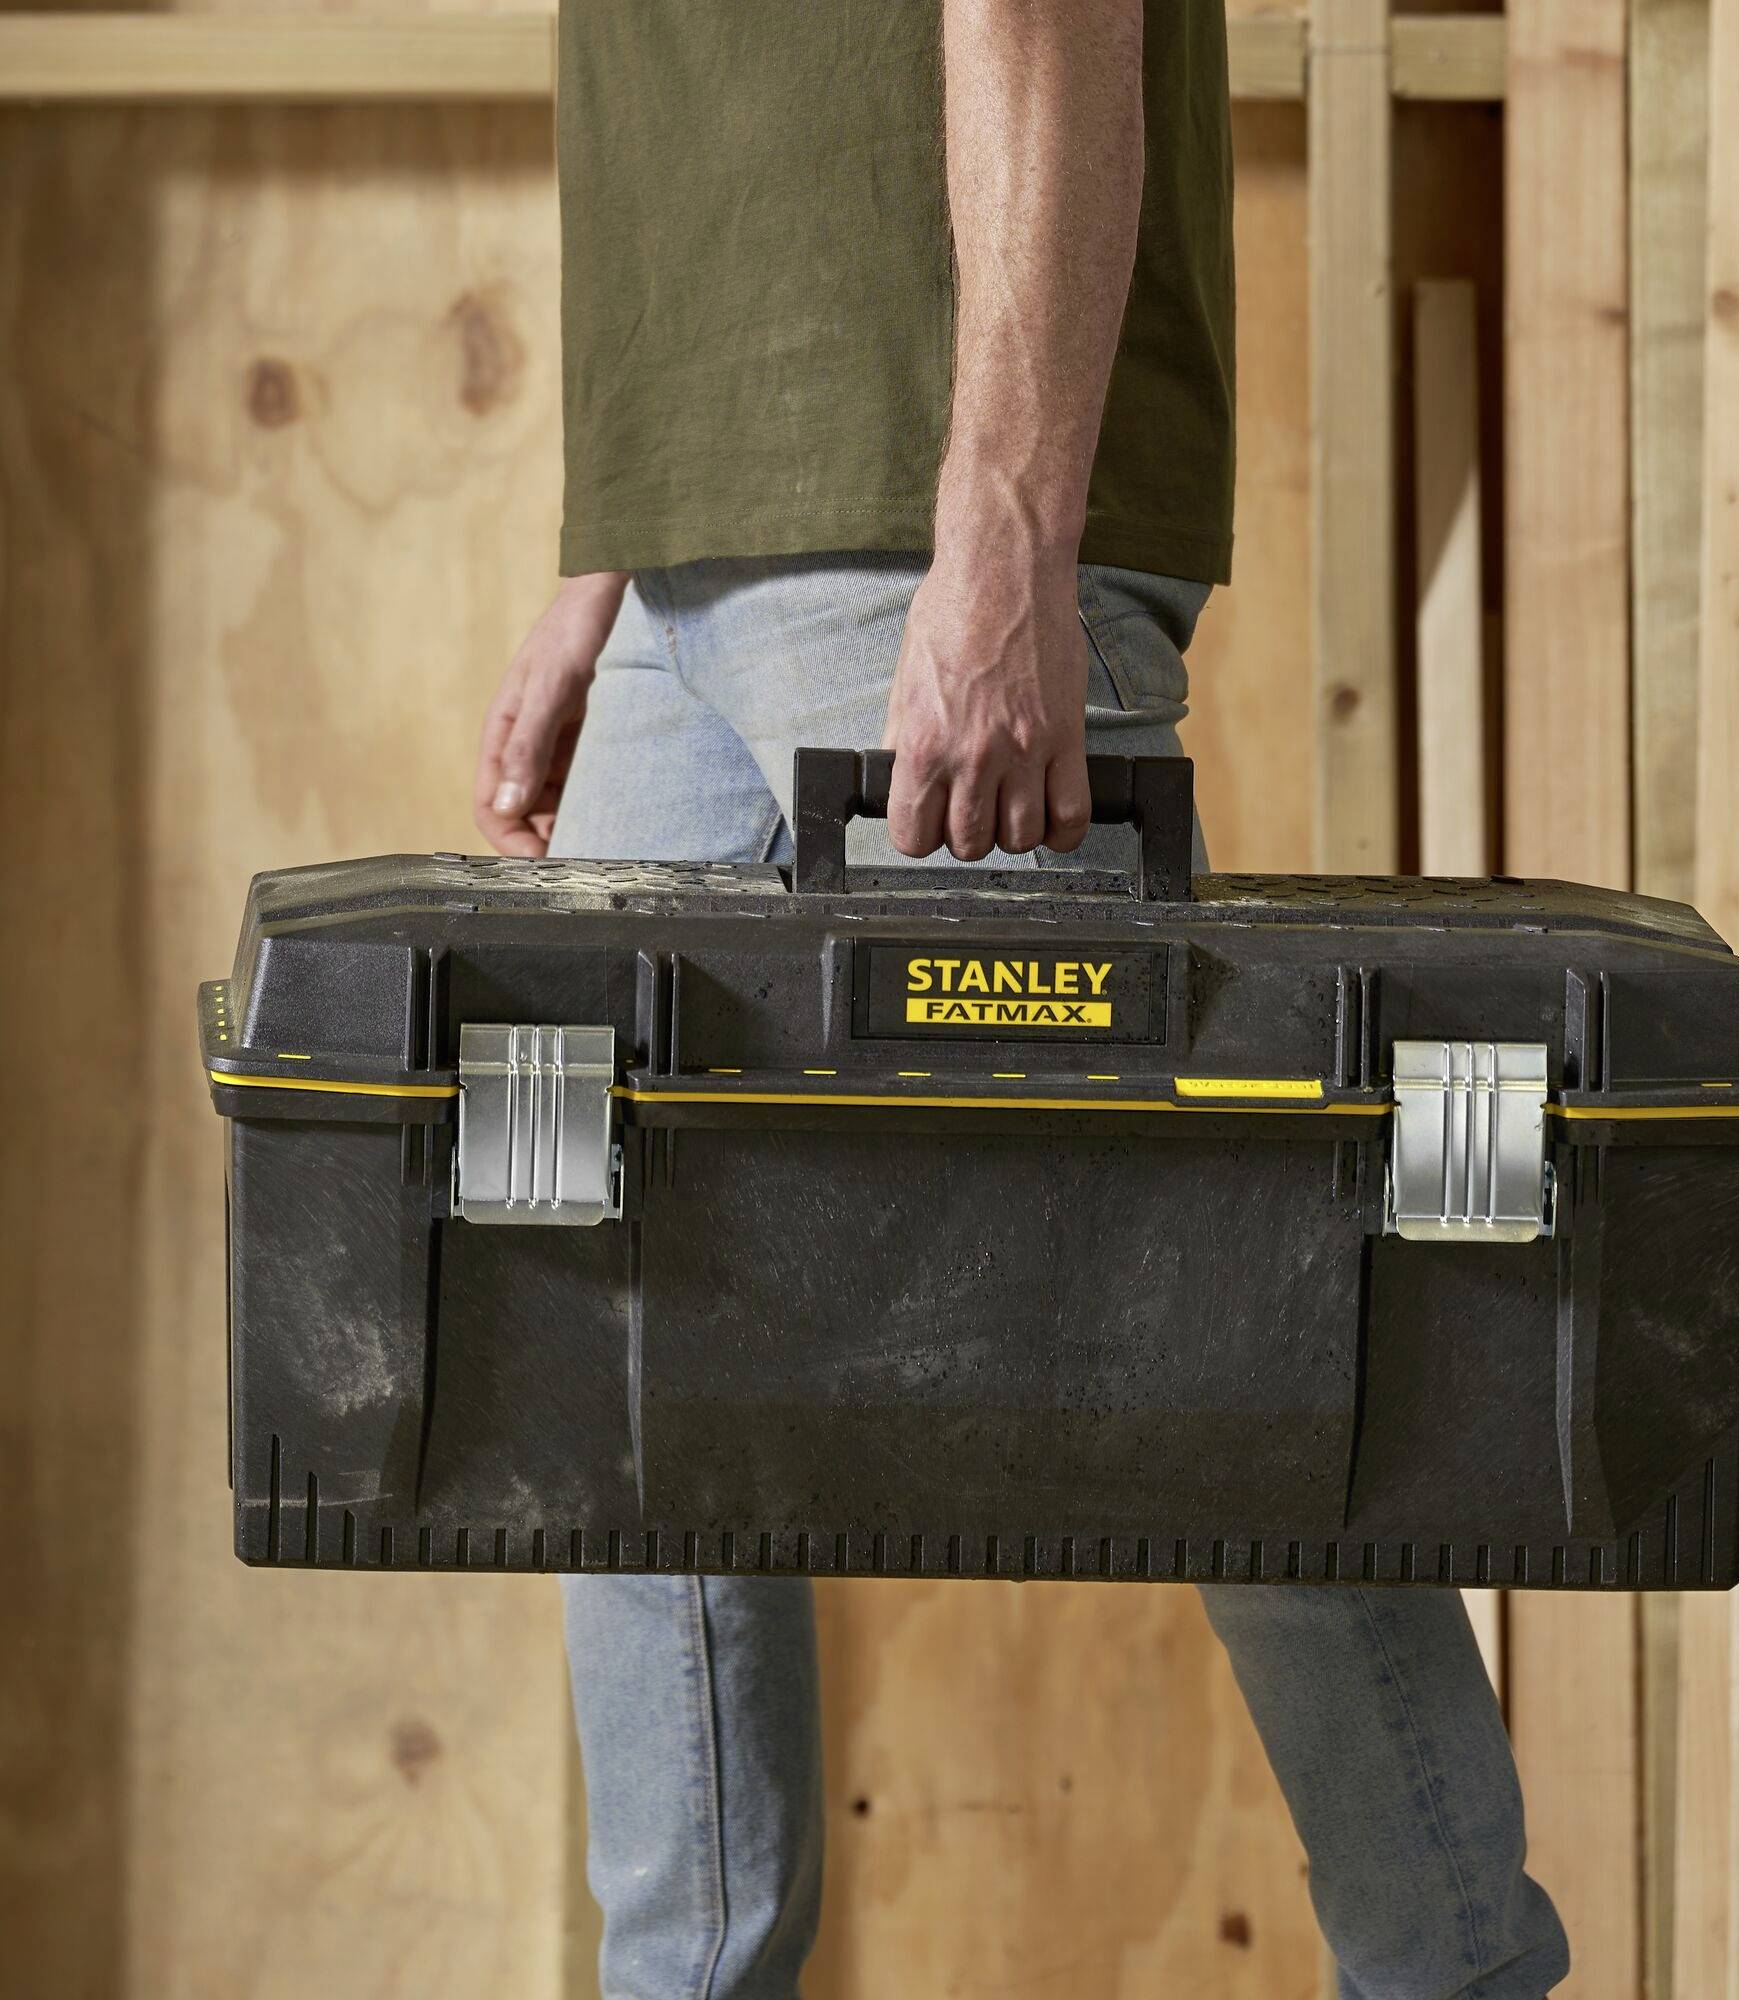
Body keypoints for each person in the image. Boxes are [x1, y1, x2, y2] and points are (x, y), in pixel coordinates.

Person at [475, 6, 1569, 1997]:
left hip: (919, 542)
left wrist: (1004, 542)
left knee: (1206, 1342)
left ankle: (1455, 1971)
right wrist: (606, 564)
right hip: (692, 561)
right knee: (619, 1363)